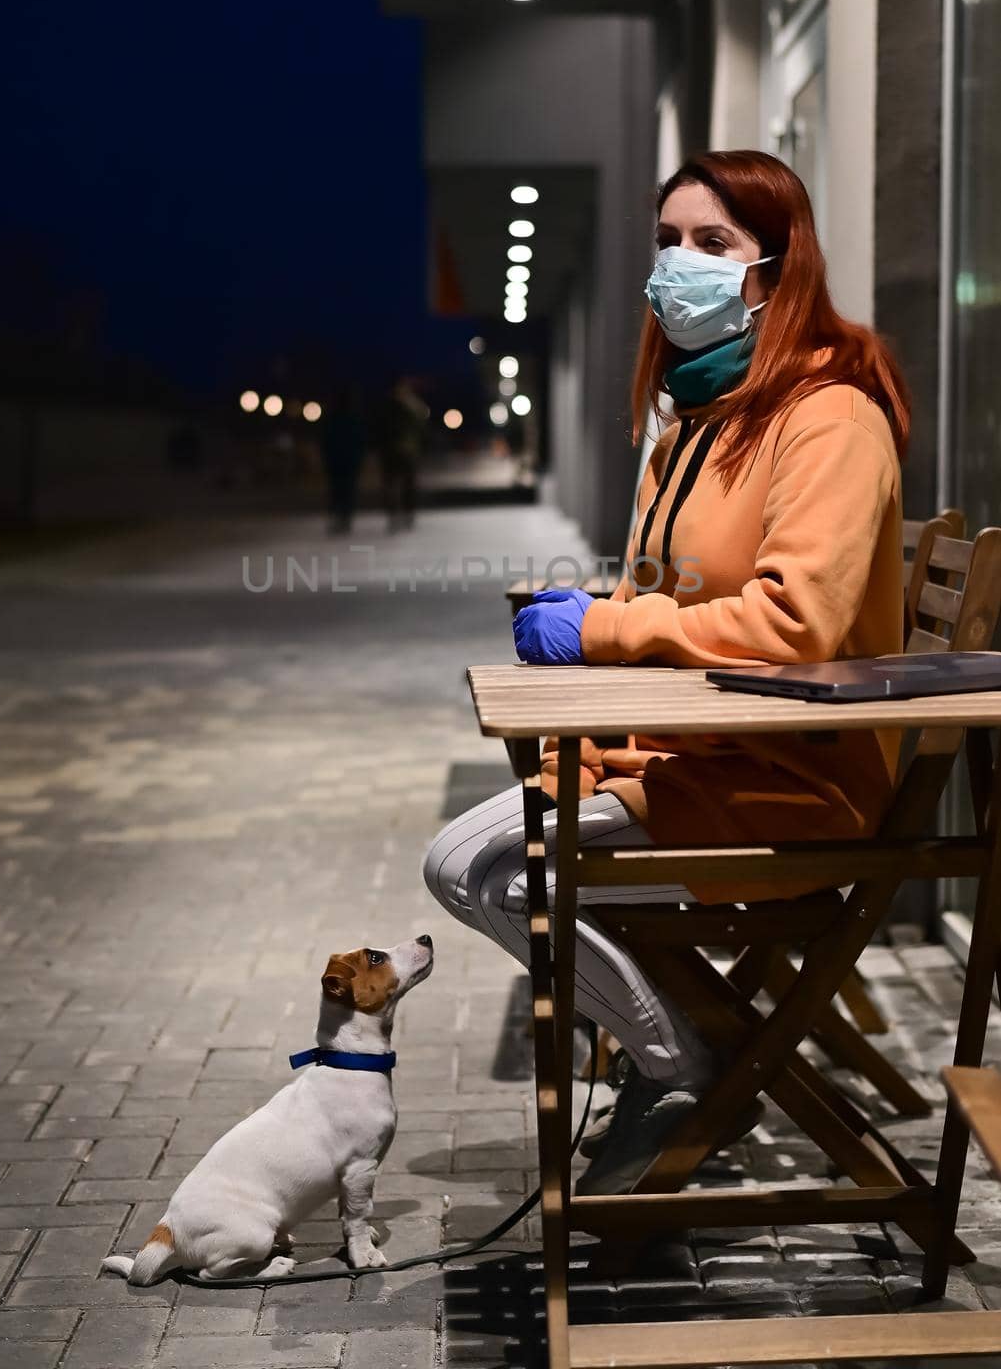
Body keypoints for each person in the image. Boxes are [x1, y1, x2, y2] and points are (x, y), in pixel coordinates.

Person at [423, 149, 911, 1195]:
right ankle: (690, 1049)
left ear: (775, 271)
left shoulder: (829, 415)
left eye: (712, 242)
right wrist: (607, 652)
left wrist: (600, 631)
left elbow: (796, 621)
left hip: (794, 780)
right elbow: (673, 596)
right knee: (513, 850)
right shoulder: (693, 422)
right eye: (666, 241)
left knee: (469, 867)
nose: (675, 265)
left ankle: (687, 1060)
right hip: (697, 750)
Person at [374, 375, 428, 531]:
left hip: (407, 450)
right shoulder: (388, 406)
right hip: (391, 451)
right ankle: (394, 514)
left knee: (407, 485)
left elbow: (421, 425)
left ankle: (407, 513)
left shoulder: (412, 405)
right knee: (391, 485)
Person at [319, 383, 368, 534]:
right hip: (346, 460)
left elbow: (325, 439)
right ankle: (343, 518)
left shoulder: (335, 418)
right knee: (346, 490)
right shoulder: (352, 418)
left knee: (339, 490)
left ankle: (341, 517)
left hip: (339, 459)